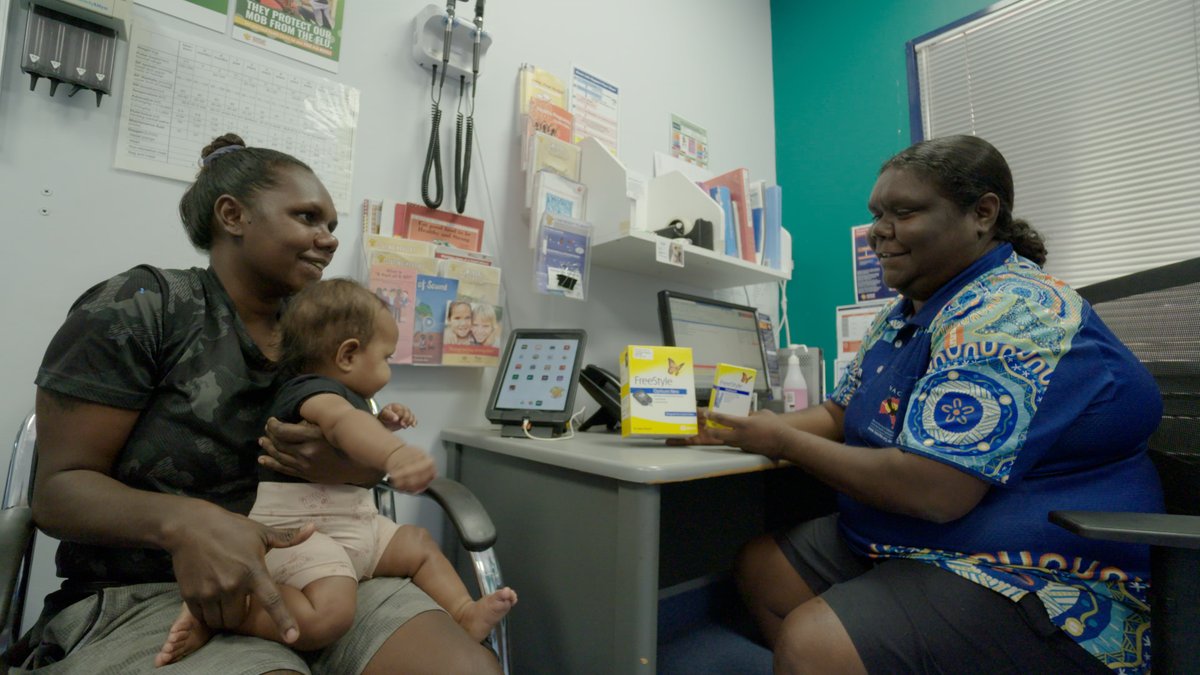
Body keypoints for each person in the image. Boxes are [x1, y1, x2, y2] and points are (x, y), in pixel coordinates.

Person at [17, 133, 503, 673]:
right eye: (308, 217)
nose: (328, 239)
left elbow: (364, 455)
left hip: (330, 563)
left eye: (332, 227)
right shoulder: (144, 307)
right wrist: (186, 524)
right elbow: (59, 493)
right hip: (153, 590)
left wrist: (345, 465)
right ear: (233, 215)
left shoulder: (318, 329)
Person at [686, 135, 1164, 674]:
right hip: (921, 537)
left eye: (904, 212)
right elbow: (843, 411)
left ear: (983, 213)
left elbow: (935, 490)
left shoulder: (1015, 309)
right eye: (876, 214)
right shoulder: (906, 312)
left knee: (812, 643)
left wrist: (782, 441)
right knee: (763, 568)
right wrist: (742, 426)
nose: (878, 232)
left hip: (1045, 570)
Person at [157, 278, 516, 666]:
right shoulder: (311, 391)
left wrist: (382, 423)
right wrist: (393, 452)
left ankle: (462, 612)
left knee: (419, 544)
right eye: (386, 358)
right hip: (303, 534)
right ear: (347, 355)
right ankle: (230, 609)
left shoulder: (346, 397)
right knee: (328, 617)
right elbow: (343, 425)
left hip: (353, 527)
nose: (388, 370)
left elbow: (352, 432)